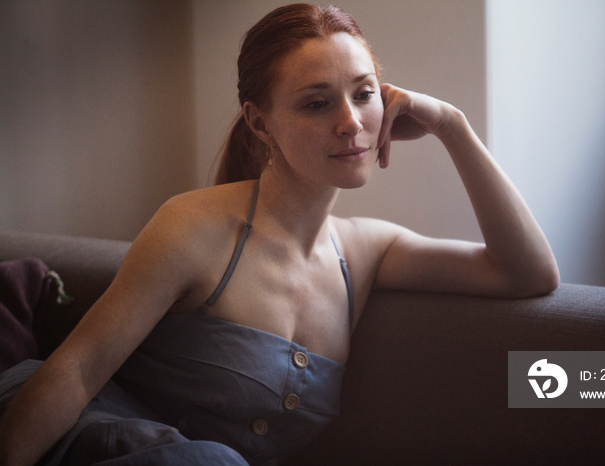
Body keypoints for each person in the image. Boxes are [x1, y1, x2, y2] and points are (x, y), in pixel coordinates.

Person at [0, 3, 558, 465]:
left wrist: (451, 125)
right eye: (317, 103)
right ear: (260, 122)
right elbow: (74, 374)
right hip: (81, 441)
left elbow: (526, 272)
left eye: (364, 94)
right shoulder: (195, 226)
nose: (350, 120)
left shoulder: (364, 250)